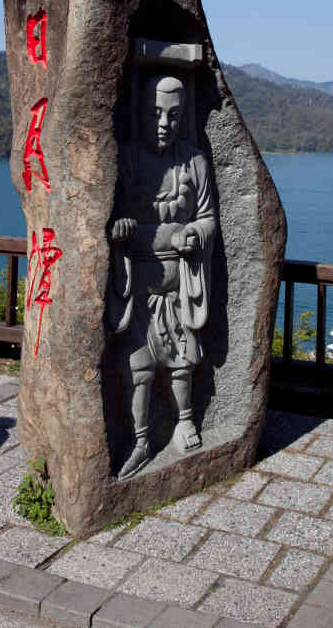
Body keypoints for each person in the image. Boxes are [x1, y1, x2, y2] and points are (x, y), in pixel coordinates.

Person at [108, 74, 216, 479]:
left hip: (181, 283)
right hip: (137, 283)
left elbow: (207, 218)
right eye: (156, 113)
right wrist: (119, 227)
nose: (164, 122)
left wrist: (192, 232)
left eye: (173, 115)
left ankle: (185, 419)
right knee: (138, 366)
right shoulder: (125, 159)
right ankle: (139, 439)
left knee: (182, 360)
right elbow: (110, 210)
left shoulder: (194, 162)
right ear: (141, 112)